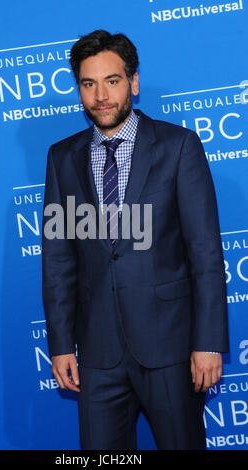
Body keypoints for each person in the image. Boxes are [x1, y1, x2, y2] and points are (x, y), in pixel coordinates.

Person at [41, 30, 229, 450]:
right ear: (79, 91)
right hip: (97, 353)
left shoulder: (178, 147)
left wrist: (209, 343)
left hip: (171, 349)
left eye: (112, 81)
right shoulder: (62, 158)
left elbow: (205, 252)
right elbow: (57, 259)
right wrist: (60, 345)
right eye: (89, 84)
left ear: (134, 83)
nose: (101, 95)